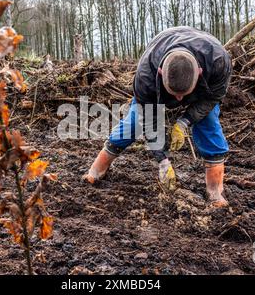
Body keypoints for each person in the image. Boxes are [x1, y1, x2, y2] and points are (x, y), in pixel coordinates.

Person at [82, 26, 232, 208]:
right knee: (133, 122)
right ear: (161, 72)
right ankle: (96, 171)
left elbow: (213, 98)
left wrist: (184, 122)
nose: (179, 100)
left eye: (183, 94)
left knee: (208, 124)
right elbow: (149, 120)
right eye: (174, 93)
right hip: (156, 77)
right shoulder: (147, 73)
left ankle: (215, 191)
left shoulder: (218, 61)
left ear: (199, 73)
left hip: (204, 86)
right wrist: (162, 161)